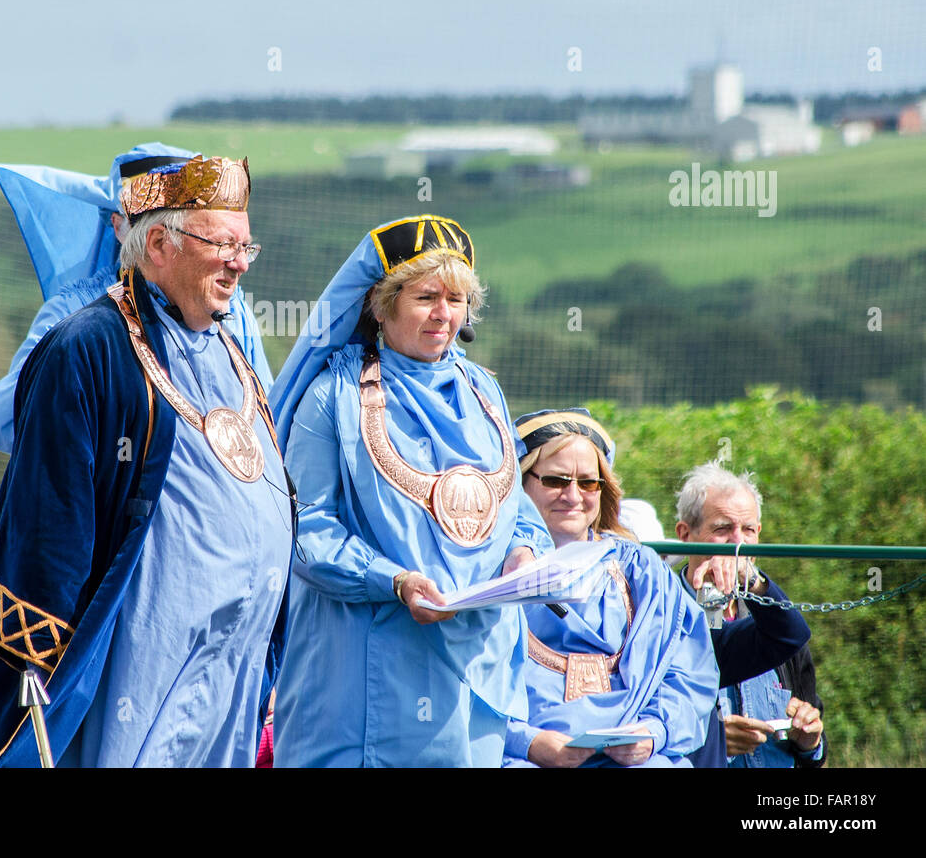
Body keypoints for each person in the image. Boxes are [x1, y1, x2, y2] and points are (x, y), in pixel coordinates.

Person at [0, 155, 293, 768]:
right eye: (222, 244)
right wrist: (39, 674)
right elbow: (49, 528)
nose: (238, 263)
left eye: (246, 246)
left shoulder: (230, 344)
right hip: (138, 657)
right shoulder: (85, 346)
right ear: (158, 244)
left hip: (233, 659)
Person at [268, 214, 552, 767]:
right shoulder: (332, 397)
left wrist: (525, 554)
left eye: (456, 299)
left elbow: (514, 507)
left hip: (478, 671)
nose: (444, 315)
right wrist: (392, 580)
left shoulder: (483, 389)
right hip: (366, 673)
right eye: (426, 297)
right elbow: (304, 528)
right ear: (382, 304)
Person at [0, 144, 272, 454]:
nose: (238, 263)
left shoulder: (232, 307)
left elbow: (268, 416)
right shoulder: (76, 311)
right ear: (118, 226)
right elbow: (2, 420)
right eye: (141, 221)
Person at [503, 409, 717, 767]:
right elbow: (461, 684)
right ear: (520, 485)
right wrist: (528, 742)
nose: (573, 496)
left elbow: (688, 672)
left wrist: (653, 733)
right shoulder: (493, 571)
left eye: (588, 483)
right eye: (556, 481)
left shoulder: (643, 570)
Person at [674, 461, 825, 767]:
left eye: (748, 530)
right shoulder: (661, 614)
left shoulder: (775, 617)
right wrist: (710, 743)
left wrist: (811, 742)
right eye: (722, 528)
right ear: (685, 533)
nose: (738, 542)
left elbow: (813, 757)